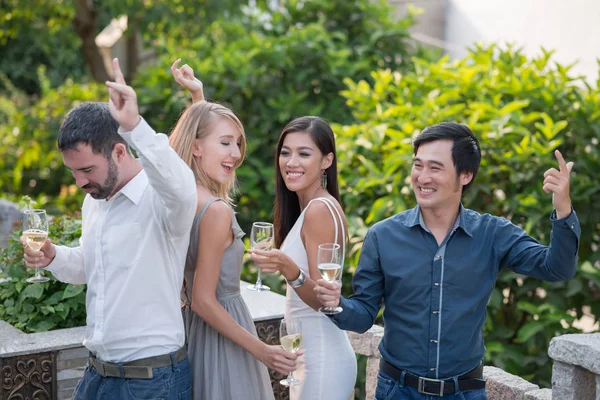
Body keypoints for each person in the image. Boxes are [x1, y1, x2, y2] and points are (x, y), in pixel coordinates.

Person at [315, 122, 580, 400]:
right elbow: (362, 316)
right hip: (397, 391)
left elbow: (557, 268)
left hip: (464, 392)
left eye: (435, 168)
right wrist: (337, 305)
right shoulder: (383, 236)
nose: (422, 177)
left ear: (465, 175)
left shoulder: (493, 234)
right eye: (418, 166)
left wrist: (563, 208)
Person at [20, 58, 196, 399]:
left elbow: (183, 187)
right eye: (73, 172)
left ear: (119, 151)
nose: (79, 181)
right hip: (96, 375)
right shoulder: (94, 201)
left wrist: (135, 126)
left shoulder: (161, 200)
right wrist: (53, 256)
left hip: (152, 381)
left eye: (87, 169)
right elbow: (89, 266)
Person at [170, 59, 297, 400]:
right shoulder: (216, 210)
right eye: (226, 143)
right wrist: (262, 350)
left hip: (193, 334)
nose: (236, 153)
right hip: (222, 339)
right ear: (197, 147)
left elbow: (199, 135)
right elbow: (203, 300)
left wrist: (198, 97)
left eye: (238, 143)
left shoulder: (182, 193)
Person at [249, 116, 358, 399]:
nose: (291, 162)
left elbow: (324, 301)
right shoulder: (311, 206)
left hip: (321, 359)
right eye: (285, 153)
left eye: (304, 153)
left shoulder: (320, 209)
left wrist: (288, 268)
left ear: (326, 161)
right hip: (307, 354)